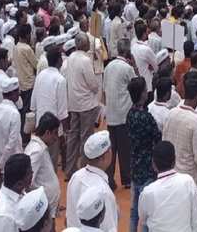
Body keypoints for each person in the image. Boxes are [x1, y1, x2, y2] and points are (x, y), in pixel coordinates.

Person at [162, 77, 197, 220]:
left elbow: (164, 142)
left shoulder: (171, 113)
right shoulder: (195, 121)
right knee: (196, 214)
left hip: (171, 173)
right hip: (190, 178)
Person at [137, 141, 197, 232]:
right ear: (174, 161)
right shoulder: (188, 182)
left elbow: (143, 220)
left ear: (153, 164)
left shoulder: (147, 192)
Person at [126, 76, 161, 232]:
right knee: (146, 214)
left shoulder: (130, 114)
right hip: (147, 168)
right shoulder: (146, 117)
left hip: (135, 165)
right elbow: (157, 137)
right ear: (141, 94)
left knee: (134, 211)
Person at [65, 130, 118, 231]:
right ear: (104, 157)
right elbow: (109, 228)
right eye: (110, 149)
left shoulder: (76, 177)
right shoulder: (103, 192)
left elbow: (70, 218)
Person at [102, 38, 136, 191]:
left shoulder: (108, 66)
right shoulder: (127, 68)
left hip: (111, 113)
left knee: (112, 149)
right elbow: (137, 85)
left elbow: (104, 89)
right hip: (123, 113)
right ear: (128, 51)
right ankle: (126, 179)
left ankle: (109, 179)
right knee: (125, 149)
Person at [65, 33, 100, 180]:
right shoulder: (85, 60)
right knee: (85, 137)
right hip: (86, 104)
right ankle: (85, 169)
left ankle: (70, 169)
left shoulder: (70, 58)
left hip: (74, 103)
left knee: (73, 137)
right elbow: (93, 84)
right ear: (84, 45)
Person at [30, 45, 67, 168]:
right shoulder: (60, 79)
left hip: (40, 127)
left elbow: (33, 104)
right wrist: (63, 134)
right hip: (53, 130)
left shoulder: (40, 75)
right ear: (58, 61)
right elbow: (62, 112)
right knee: (50, 167)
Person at [0, 77, 22, 199]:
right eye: (17, 91)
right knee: (13, 197)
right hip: (12, 165)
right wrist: (0, 165)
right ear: (12, 94)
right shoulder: (14, 114)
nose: (19, 94)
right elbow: (11, 143)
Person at [24, 112, 61, 223]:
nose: (56, 138)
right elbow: (27, 182)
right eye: (55, 134)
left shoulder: (40, 147)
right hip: (42, 211)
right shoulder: (36, 151)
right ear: (47, 132)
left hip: (46, 208)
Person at [0, 153, 32, 232]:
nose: (32, 174)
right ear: (19, 183)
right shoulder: (5, 217)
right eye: (29, 173)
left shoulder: (17, 192)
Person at [12, 24, 38, 130]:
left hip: (21, 82)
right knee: (28, 112)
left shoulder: (16, 46)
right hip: (29, 83)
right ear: (27, 35)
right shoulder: (27, 49)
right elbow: (36, 64)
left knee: (24, 109)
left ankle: (24, 133)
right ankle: (25, 135)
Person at [131, 22, 158, 98]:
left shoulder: (133, 46)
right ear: (144, 34)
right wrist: (152, 68)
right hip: (146, 85)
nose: (148, 35)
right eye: (147, 33)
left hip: (136, 83)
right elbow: (156, 66)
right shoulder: (146, 49)